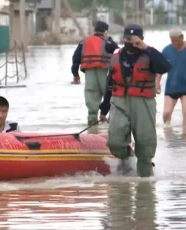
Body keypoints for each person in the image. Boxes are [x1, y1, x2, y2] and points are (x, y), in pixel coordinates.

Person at [99, 24, 171, 177]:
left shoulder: (149, 55)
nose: (130, 42)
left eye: (135, 39)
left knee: (145, 143)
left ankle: (145, 184)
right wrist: (104, 108)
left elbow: (165, 67)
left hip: (143, 103)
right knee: (115, 142)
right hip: (119, 102)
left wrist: (146, 48)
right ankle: (128, 159)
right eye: (127, 38)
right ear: (123, 38)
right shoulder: (116, 56)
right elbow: (109, 84)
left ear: (142, 39)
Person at [71, 20, 119, 126]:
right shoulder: (109, 42)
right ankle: (112, 127)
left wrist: (75, 74)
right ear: (106, 31)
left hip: (89, 74)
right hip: (106, 73)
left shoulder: (84, 42)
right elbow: (119, 56)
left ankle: (92, 127)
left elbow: (75, 58)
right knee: (111, 98)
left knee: (91, 101)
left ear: (94, 30)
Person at [157, 27, 186, 126]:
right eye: (172, 41)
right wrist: (157, 84)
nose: (174, 43)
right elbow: (160, 69)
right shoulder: (166, 51)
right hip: (172, 86)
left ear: (182, 37)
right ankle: (168, 133)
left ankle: (183, 137)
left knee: (185, 112)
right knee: (166, 113)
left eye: (176, 41)